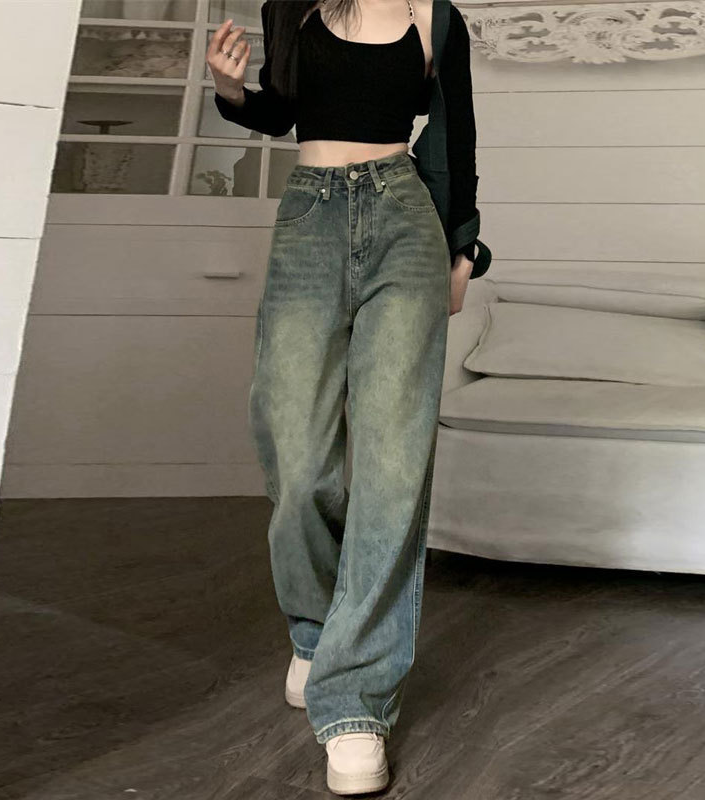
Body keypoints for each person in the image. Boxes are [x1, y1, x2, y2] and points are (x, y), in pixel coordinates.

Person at [208, 0, 482, 794]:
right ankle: (315, 630)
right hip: (311, 219)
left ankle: (356, 700)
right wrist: (230, 90)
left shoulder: (434, 15)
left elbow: (456, 133)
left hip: (406, 222)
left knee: (393, 466)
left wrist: (464, 248)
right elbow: (282, 110)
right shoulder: (293, 7)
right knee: (296, 458)